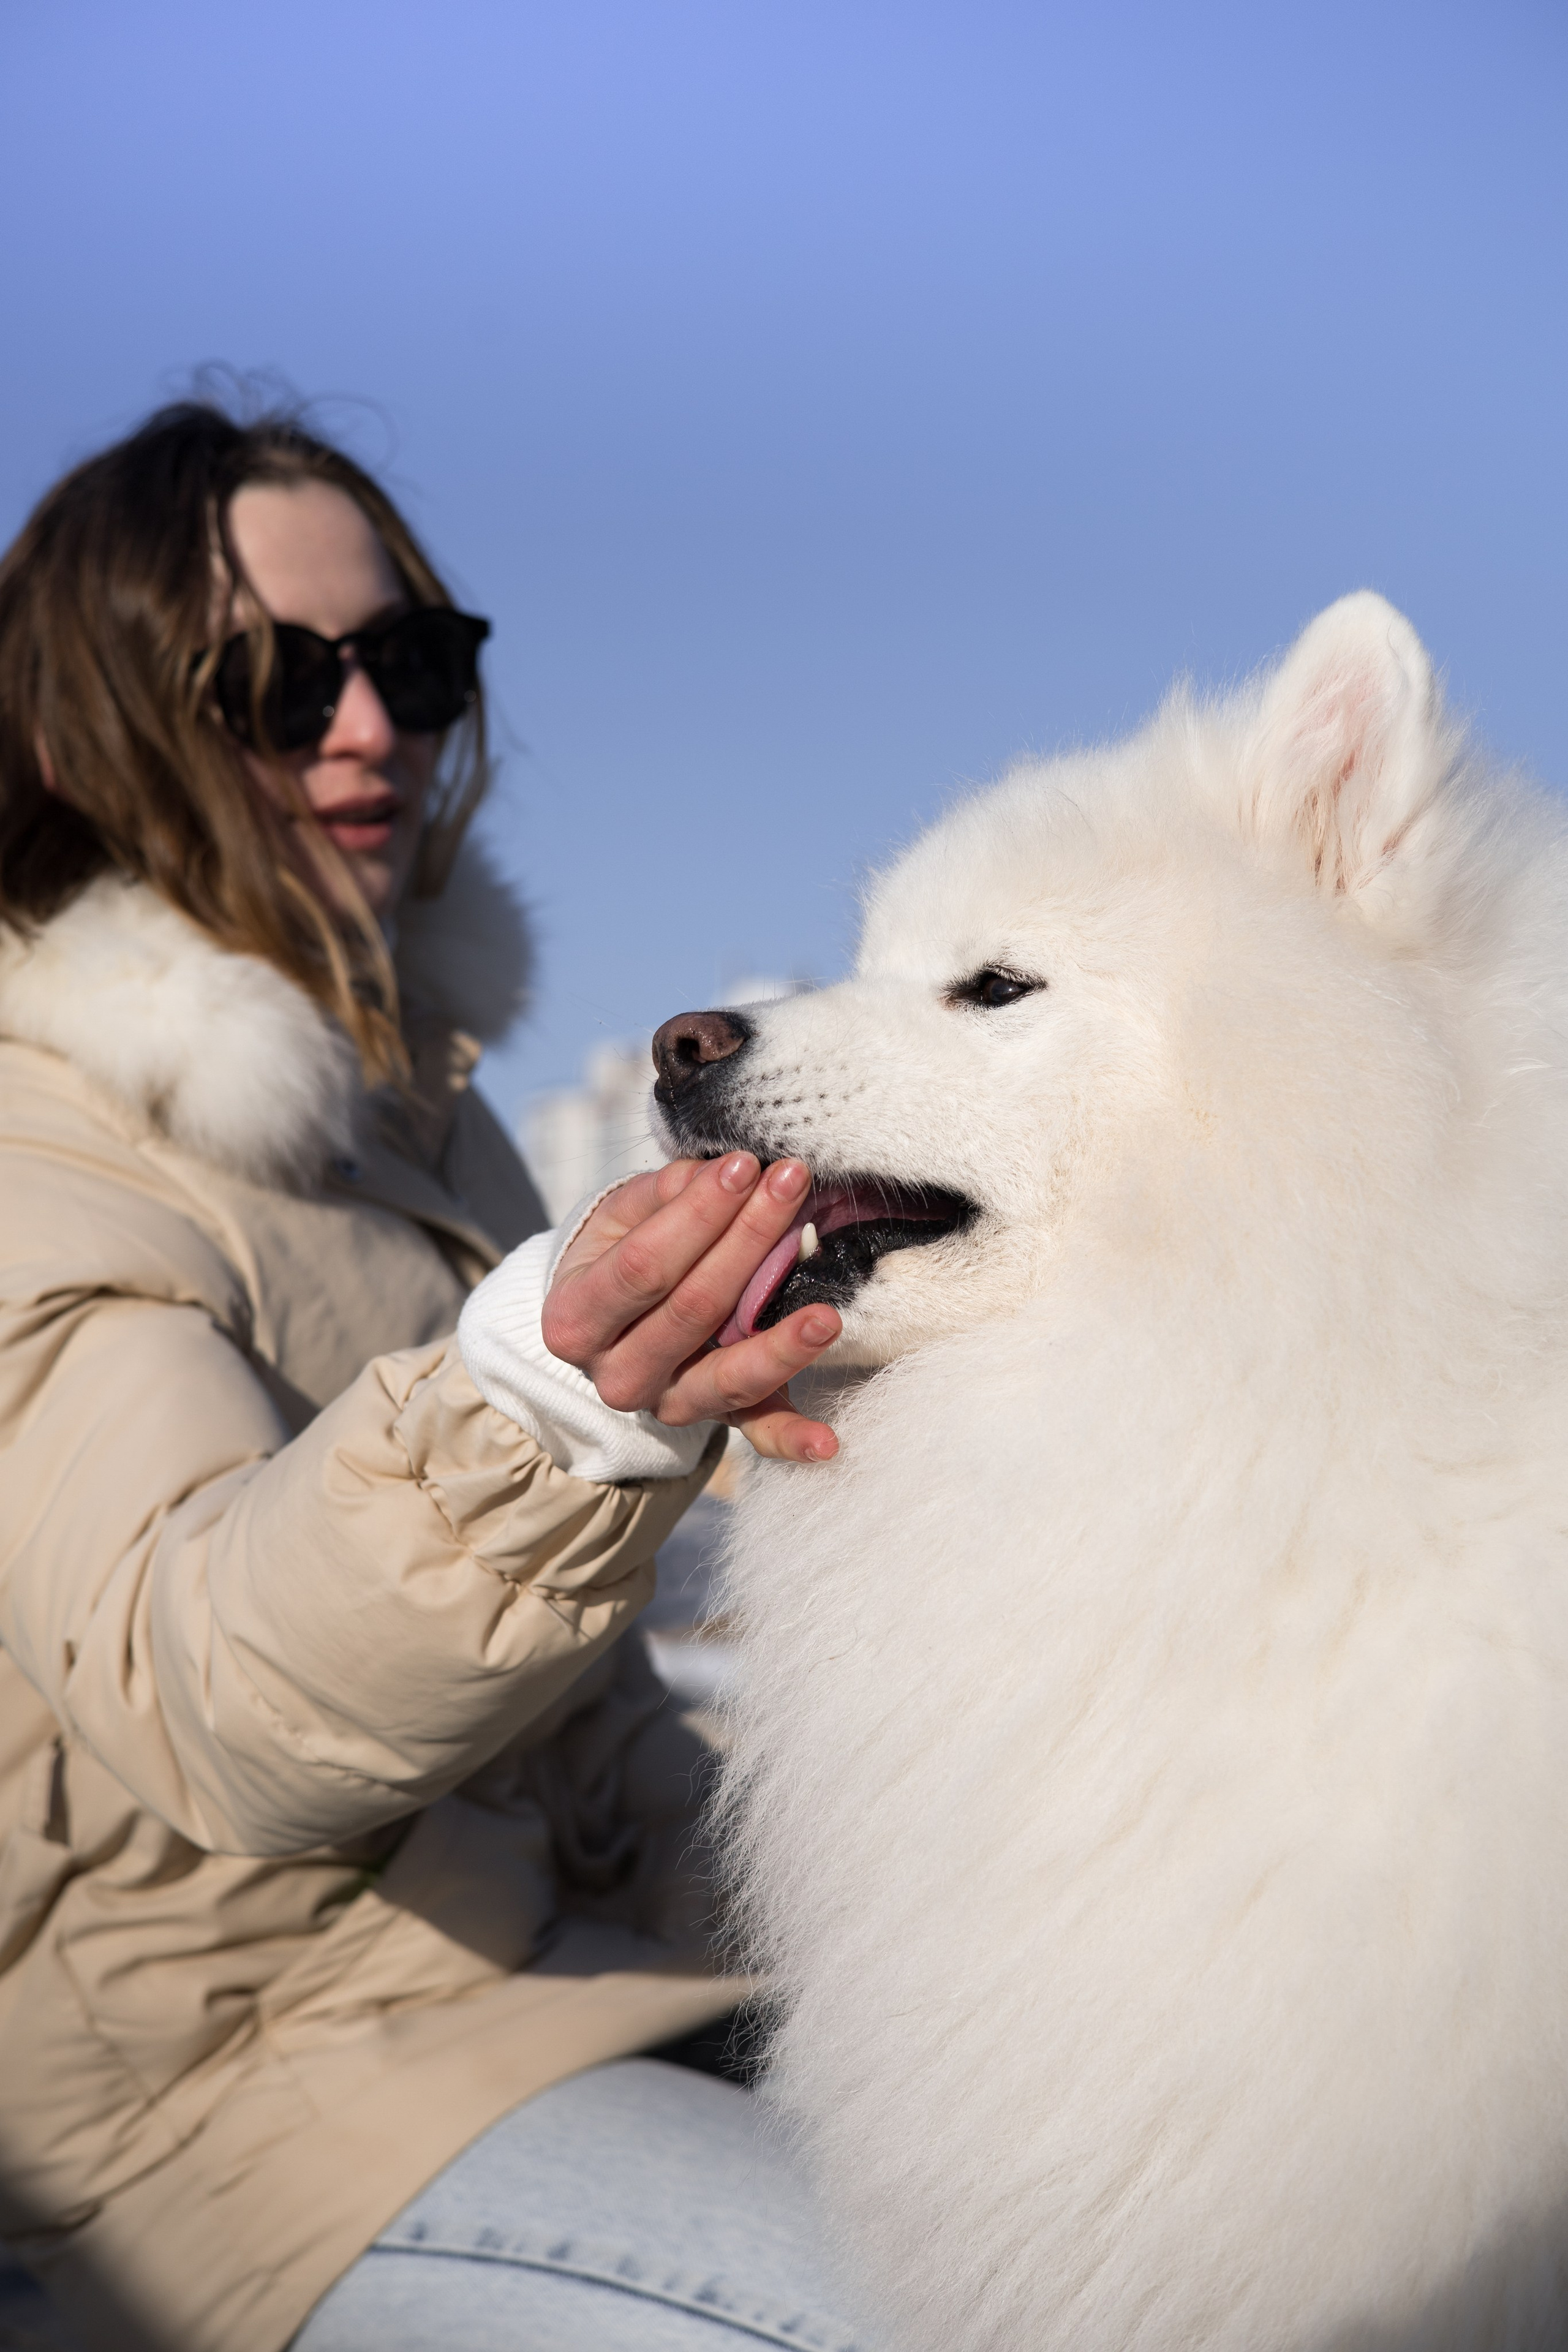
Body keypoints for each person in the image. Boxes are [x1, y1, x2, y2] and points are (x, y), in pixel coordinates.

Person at [0, 401, 856, 2352]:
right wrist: (542, 1416)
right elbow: (211, 1689)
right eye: (275, 682)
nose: (367, 726)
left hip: (556, 1988)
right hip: (238, 2114)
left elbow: (583, 1720)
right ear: (80, 734)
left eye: (410, 659)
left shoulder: (412, 1114)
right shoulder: (36, 1152)